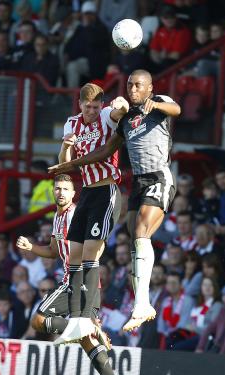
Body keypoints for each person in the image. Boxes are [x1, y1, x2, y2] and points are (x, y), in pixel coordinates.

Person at [49, 70, 181, 333]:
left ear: (150, 87)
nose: (133, 90)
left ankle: (142, 304)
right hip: (138, 182)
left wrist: (156, 104)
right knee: (135, 238)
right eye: (130, 85)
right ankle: (142, 304)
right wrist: (73, 163)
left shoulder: (159, 104)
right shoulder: (126, 119)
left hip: (160, 176)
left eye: (138, 86)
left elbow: (176, 109)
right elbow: (106, 150)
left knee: (142, 234)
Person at [16, 173, 125, 375]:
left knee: (38, 320)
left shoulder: (77, 213)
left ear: (74, 193)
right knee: (85, 339)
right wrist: (31, 247)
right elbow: (53, 251)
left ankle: (90, 328)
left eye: (66, 189)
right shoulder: (57, 217)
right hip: (76, 282)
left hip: (79, 281)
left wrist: (89, 263)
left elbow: (98, 244)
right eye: (57, 189)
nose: (61, 192)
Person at [63, 1, 110, 87]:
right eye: (85, 14)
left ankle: (72, 97)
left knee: (72, 66)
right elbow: (70, 44)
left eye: (90, 14)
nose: (87, 16)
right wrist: (67, 53)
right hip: (77, 59)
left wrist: (87, 27)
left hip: (94, 64)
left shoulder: (101, 29)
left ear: (95, 14)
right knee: (62, 60)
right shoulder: (80, 28)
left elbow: (93, 43)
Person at [149, 6, 192, 72]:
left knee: (166, 63)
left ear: (176, 18)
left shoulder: (182, 30)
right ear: (161, 19)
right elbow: (153, 50)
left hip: (178, 63)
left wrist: (162, 57)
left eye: (172, 17)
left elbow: (176, 55)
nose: (169, 20)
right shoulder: (160, 29)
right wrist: (158, 58)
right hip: (161, 60)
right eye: (166, 17)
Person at [158, 273, 194, 349]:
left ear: (181, 285)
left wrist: (168, 333)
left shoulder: (188, 300)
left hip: (182, 336)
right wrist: (165, 333)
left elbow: (183, 325)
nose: (171, 285)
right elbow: (161, 325)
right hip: (168, 336)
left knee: (172, 339)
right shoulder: (166, 301)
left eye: (174, 283)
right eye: (169, 283)